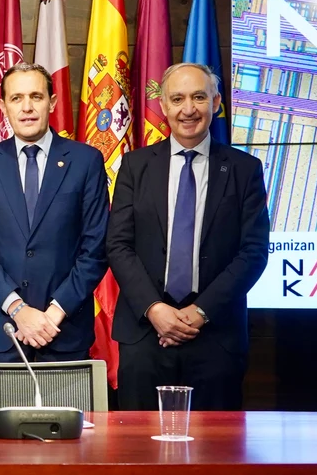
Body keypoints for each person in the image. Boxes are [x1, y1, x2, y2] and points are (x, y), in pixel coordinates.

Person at [106, 62, 270, 410]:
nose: (188, 109)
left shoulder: (244, 169)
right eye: (177, 99)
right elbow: (118, 246)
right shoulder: (135, 166)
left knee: (214, 456)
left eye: (199, 97)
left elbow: (253, 252)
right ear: (163, 106)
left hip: (215, 337)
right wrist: (155, 310)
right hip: (145, 335)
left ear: (216, 102)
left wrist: (201, 311)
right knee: (138, 452)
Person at [0, 62, 110, 363]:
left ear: (52, 103)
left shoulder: (85, 161)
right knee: (1, 412)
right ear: (3, 107)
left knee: (67, 413)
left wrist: (53, 314)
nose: (27, 107)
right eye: (17, 98)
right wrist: (18, 309)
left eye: (36, 97)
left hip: (64, 331)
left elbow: (95, 248)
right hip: (3, 331)